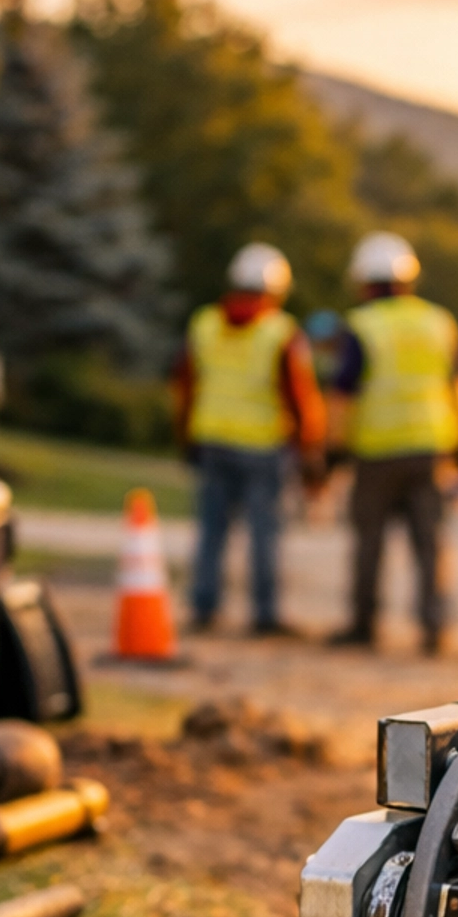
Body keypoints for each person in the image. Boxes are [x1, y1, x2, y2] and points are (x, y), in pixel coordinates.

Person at [328, 231, 458, 653]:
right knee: (431, 543)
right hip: (430, 450)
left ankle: (364, 626)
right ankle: (435, 629)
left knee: (368, 543)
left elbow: (343, 396)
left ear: (364, 282)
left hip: (376, 453)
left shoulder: (362, 325)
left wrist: (333, 449)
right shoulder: (439, 322)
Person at [173, 242, 327, 636]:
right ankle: (265, 613)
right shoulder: (280, 331)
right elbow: (299, 396)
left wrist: (186, 436)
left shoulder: (204, 323)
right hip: (263, 447)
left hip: (212, 442)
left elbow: (186, 385)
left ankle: (204, 608)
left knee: (211, 531)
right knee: (265, 534)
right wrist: (309, 446)